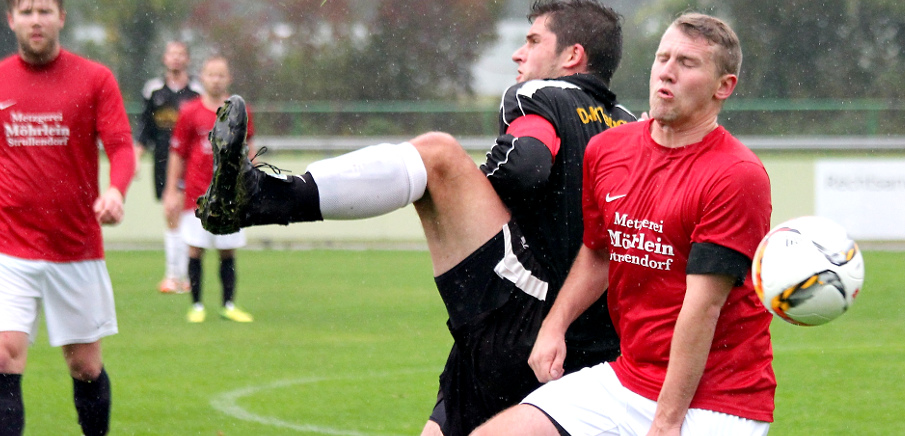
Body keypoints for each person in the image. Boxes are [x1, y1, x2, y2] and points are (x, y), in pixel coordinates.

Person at [198, 1, 634, 433]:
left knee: (438, 157)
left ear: (573, 56)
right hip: (597, 358)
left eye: (533, 41)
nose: (519, 54)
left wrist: (468, 191)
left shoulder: (543, 94)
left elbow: (525, 166)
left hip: (521, 317)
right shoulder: (633, 128)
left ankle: (263, 197)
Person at [472, 13, 775, 436]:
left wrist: (666, 424)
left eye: (687, 64)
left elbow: (702, 307)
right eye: (662, 57)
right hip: (627, 379)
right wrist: (554, 327)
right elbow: (598, 252)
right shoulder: (608, 149)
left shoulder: (736, 174)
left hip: (718, 401)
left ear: (723, 87)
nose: (667, 71)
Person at [0, 0, 136, 435]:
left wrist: (116, 190)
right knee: (4, 355)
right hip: (10, 247)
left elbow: (120, 146)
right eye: (26, 11)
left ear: (61, 17)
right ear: (11, 20)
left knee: (85, 367)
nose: (35, 20)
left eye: (44, 10)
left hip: (75, 248)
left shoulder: (95, 79)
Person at [163, 55, 255, 324]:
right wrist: (171, 190)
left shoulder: (240, 109)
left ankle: (228, 304)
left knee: (228, 251)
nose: (216, 79)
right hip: (197, 195)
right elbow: (178, 154)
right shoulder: (190, 112)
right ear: (201, 77)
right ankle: (197, 306)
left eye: (221, 75)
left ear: (229, 79)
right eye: (211, 74)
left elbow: (249, 149)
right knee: (195, 249)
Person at [135, 40, 203, 294]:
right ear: (165, 59)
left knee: (187, 216)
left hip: (191, 163)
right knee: (171, 213)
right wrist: (136, 155)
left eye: (180, 55)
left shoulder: (196, 91)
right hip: (163, 161)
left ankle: (180, 276)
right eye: (171, 54)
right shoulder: (154, 91)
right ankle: (177, 276)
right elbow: (144, 127)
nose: (175, 59)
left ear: (187, 59)